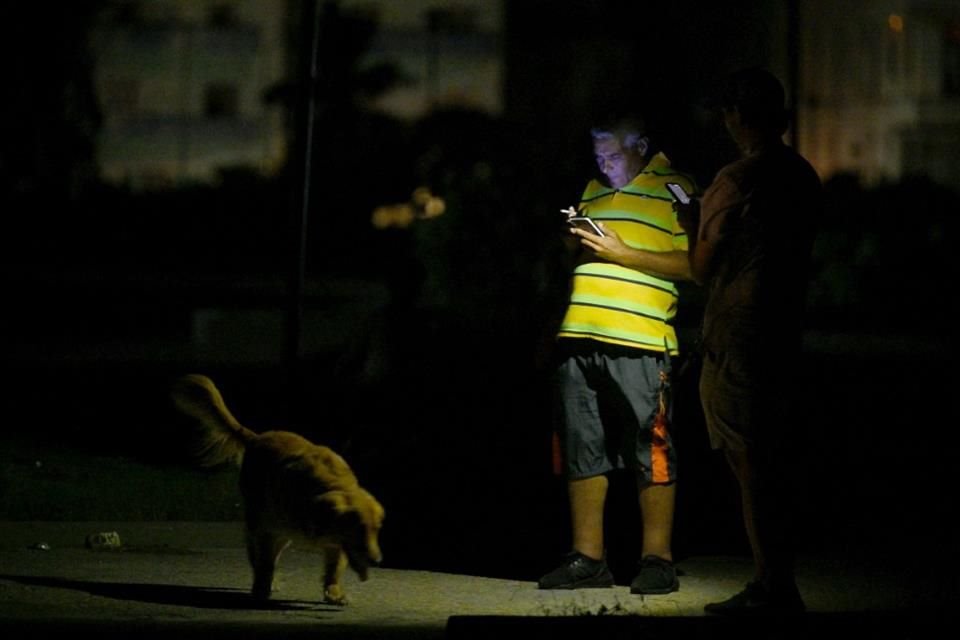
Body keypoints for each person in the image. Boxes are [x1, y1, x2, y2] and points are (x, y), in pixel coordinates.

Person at [675, 67, 823, 615]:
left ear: (738, 116)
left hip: (738, 330)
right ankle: (776, 578)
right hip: (784, 326)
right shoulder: (801, 174)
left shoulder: (736, 180)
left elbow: (701, 268)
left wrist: (692, 221)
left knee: (748, 461)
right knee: (771, 457)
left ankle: (772, 584)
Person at [538, 114, 697, 594]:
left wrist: (623, 253)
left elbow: (698, 264)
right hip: (580, 337)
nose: (603, 164)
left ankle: (657, 558)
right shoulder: (593, 191)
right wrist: (576, 244)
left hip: (641, 341)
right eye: (598, 155)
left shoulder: (677, 188)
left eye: (612, 154)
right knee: (582, 446)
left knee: (651, 447)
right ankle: (588, 557)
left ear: (641, 145)